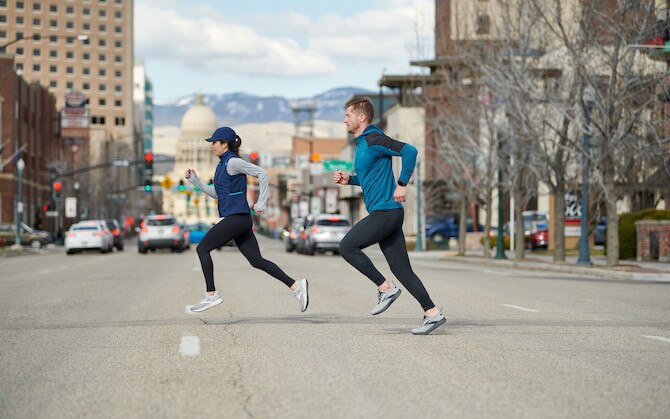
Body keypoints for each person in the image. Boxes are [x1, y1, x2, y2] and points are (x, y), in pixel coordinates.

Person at [333, 97, 445, 335]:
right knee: (402, 269)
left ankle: (385, 288)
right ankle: (432, 313)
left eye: (348, 115)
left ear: (361, 117)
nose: (345, 119)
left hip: (387, 211)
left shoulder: (374, 138)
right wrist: (349, 180)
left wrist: (402, 183)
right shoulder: (362, 144)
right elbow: (368, 178)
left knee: (347, 246)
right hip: (385, 212)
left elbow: (410, 151)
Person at [185, 126, 308, 313]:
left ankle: (211, 294)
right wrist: (196, 181)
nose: (212, 146)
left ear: (225, 144)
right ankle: (296, 286)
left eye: (214, 143)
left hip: (237, 218)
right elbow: (217, 194)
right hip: (239, 219)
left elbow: (262, 173)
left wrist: (261, 203)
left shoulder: (233, 162)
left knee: (203, 248)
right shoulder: (221, 165)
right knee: (256, 261)